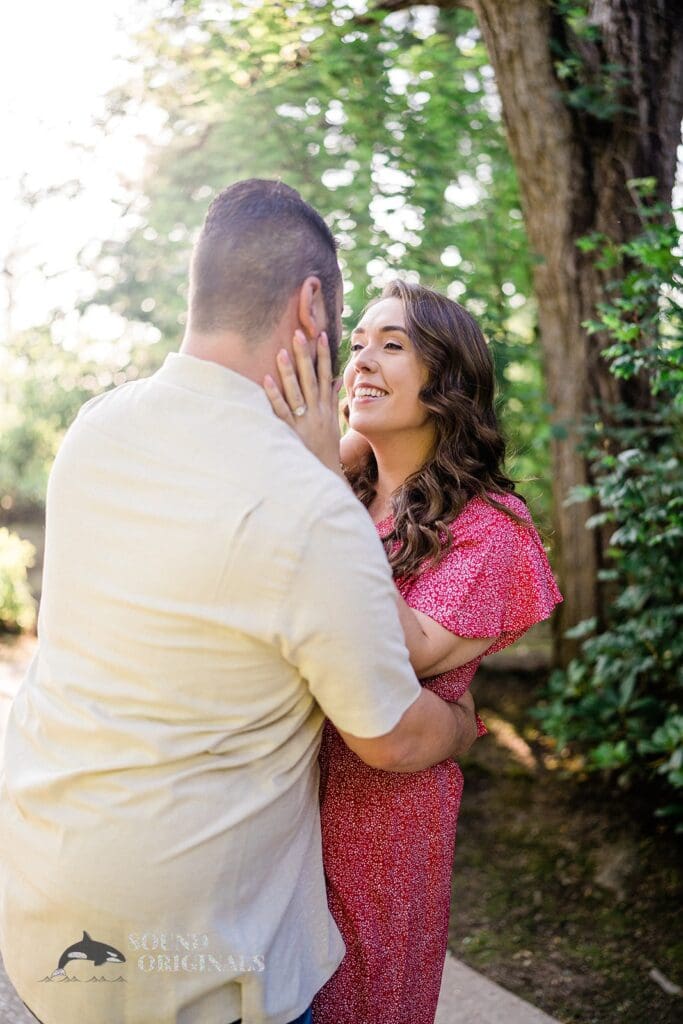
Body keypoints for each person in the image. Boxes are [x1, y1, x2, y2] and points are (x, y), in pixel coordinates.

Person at [0, 181, 481, 1024]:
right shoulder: (309, 506)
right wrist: (461, 724)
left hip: (47, 893)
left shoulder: (96, 429)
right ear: (309, 307)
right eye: (343, 327)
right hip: (192, 955)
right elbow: (393, 738)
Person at [264, 278, 563, 1024]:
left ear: (448, 384)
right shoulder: (344, 485)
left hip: (377, 821)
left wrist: (316, 476)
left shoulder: (493, 527)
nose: (360, 361)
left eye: (392, 345)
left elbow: (399, 653)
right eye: (357, 343)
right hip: (274, 800)